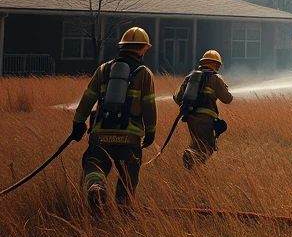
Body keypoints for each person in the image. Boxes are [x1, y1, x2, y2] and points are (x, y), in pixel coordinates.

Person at [70, 27, 156, 211]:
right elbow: (149, 105)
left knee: (94, 164)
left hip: (101, 135)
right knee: (128, 175)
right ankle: (123, 209)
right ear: (144, 48)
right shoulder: (144, 73)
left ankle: (96, 187)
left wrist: (78, 123)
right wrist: (151, 131)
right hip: (130, 138)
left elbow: (87, 99)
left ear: (121, 46)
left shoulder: (103, 69)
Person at [173, 50, 233, 169]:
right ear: (216, 64)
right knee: (208, 147)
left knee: (197, 144)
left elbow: (177, 97)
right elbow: (227, 99)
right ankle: (190, 155)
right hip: (206, 119)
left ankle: (191, 171)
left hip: (190, 118)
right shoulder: (215, 78)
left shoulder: (190, 77)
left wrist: (189, 107)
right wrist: (225, 89)